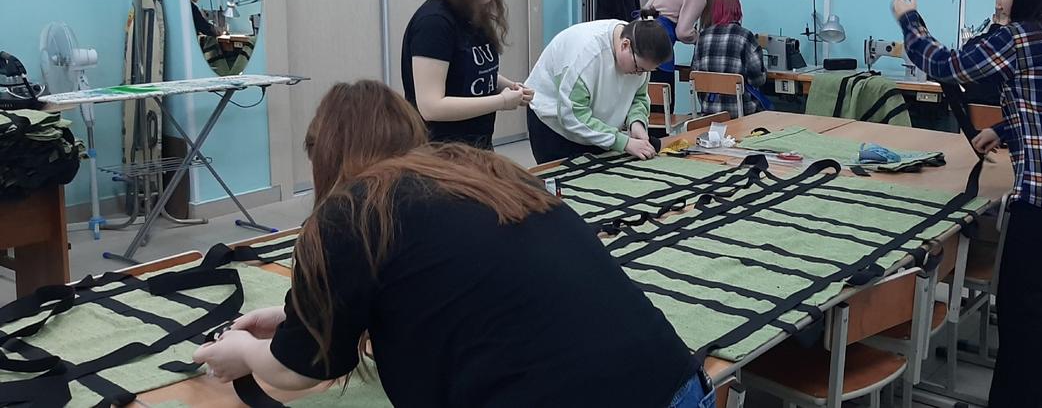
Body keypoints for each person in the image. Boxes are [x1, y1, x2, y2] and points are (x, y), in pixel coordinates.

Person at [192, 81, 713, 408]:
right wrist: (300, 318)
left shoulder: (348, 212)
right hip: (676, 383)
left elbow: (299, 371)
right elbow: (452, 294)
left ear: (326, 159)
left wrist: (245, 353)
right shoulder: (487, 173)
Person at [892, 0, 1042, 408]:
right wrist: (1002, 129)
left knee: (1024, 316)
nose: (997, 6)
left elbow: (946, 65)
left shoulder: (1018, 38)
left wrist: (910, 19)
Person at [401, 0, 533, 149]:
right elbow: (431, 106)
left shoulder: (471, 14)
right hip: (441, 153)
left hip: (476, 146)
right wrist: (501, 102)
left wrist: (509, 87)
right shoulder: (434, 23)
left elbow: (468, 68)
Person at [523, 15, 673, 164]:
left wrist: (637, 123)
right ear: (625, 45)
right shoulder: (585, 56)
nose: (639, 73)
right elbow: (573, 115)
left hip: (598, 128)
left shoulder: (640, 49)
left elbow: (639, 96)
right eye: (638, 68)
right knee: (563, 183)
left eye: (646, 70)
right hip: (555, 126)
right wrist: (624, 142)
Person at [692, 0, 767, 116]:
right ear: (738, 11)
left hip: (709, 112)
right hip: (742, 112)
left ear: (715, 11)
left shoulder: (702, 37)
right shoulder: (745, 36)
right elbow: (757, 79)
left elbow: (695, 73)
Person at [642, 0, 720, 87]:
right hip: (659, 44)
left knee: (647, 94)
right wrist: (701, 39)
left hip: (640, 37)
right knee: (665, 97)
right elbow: (683, 33)